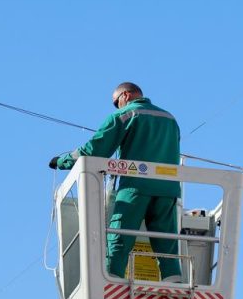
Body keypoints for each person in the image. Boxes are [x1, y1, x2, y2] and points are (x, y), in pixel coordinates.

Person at [50, 82, 183, 281]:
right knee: (166, 241)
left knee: (119, 237)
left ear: (126, 95)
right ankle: (175, 282)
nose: (116, 106)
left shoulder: (124, 115)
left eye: (115, 102)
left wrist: (62, 161)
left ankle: (112, 280)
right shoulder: (170, 119)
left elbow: (95, 150)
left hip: (135, 187)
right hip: (168, 189)